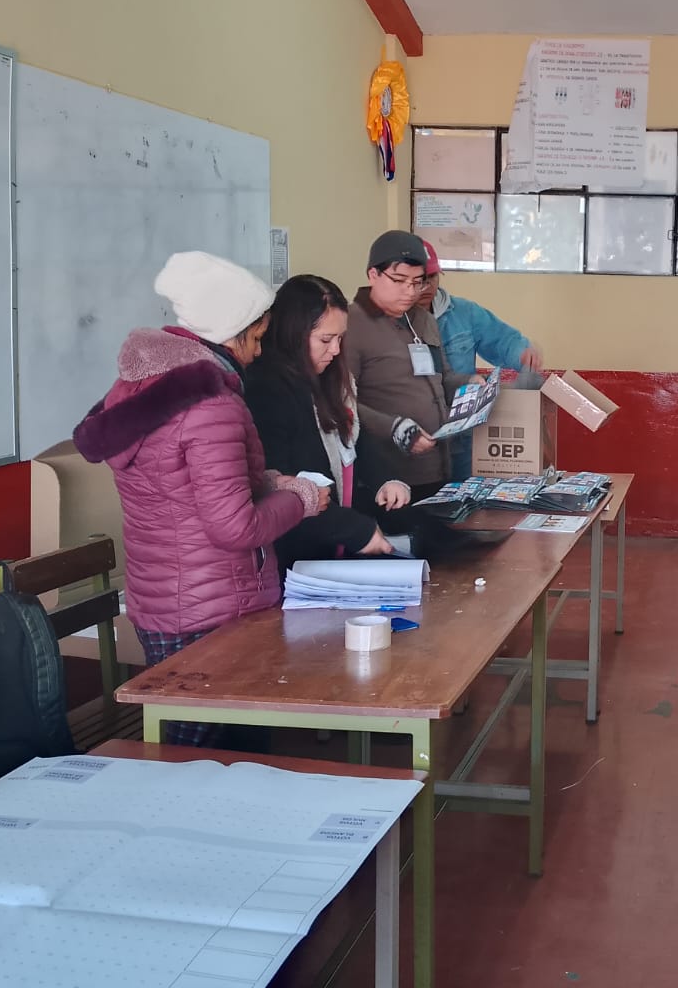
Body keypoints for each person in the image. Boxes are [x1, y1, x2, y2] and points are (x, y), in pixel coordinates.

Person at [73, 251, 327, 745]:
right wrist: (303, 498)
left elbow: (180, 488)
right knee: (211, 754)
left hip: (168, 599)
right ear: (230, 333)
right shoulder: (211, 405)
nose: (259, 351)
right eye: (256, 337)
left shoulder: (146, 388)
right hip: (211, 607)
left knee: (192, 752)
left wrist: (269, 483)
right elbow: (234, 526)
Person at [246, 274, 407, 570]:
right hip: (295, 555)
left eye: (340, 338)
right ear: (293, 335)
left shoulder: (332, 378)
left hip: (337, 544)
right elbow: (278, 485)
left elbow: (355, 438)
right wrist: (354, 530)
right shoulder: (266, 389)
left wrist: (386, 479)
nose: (335, 350)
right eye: (325, 340)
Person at [339, 230, 469, 512]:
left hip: (438, 467)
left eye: (417, 282)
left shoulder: (423, 319)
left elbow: (442, 377)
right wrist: (395, 428)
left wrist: (472, 384)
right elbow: (341, 402)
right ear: (373, 275)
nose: (410, 292)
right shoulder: (351, 324)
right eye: (399, 281)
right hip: (388, 478)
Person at [415, 238, 545, 480]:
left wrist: (522, 353)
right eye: (419, 280)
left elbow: (503, 339)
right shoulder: (393, 324)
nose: (427, 286)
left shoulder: (464, 314)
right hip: (416, 441)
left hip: (462, 439)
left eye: (432, 278)